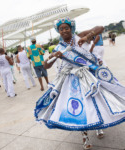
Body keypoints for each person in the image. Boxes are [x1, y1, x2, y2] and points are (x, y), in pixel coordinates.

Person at [34, 17, 125, 149]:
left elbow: (100, 28)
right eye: (61, 29)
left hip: (89, 74)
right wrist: (53, 56)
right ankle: (85, 136)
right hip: (72, 79)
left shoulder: (79, 36)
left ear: (71, 28)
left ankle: (98, 127)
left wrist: (88, 36)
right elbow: (46, 66)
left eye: (66, 28)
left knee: (97, 101)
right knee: (82, 105)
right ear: (58, 31)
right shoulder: (58, 47)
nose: (64, 30)